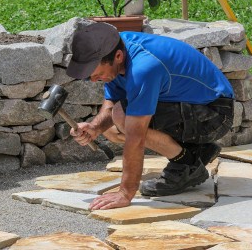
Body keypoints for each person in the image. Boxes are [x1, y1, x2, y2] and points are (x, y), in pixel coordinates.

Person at [66, 22, 234, 210]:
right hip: (193, 106)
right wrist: (95, 127)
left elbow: (135, 136)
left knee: (123, 117)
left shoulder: (143, 68)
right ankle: (196, 151)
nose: (93, 79)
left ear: (118, 57)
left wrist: (125, 192)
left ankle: (188, 164)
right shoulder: (114, 50)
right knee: (112, 128)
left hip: (215, 114)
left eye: (95, 73)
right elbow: (111, 103)